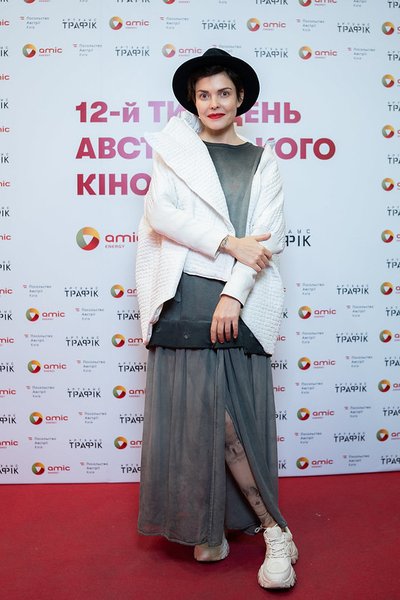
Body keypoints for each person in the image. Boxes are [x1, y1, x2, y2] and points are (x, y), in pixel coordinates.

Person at [135, 48, 298, 590]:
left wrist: (233, 296)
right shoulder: (175, 152)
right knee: (194, 418)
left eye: (223, 92)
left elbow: (266, 239)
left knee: (232, 421)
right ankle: (209, 526)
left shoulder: (262, 160)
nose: (214, 103)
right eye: (204, 94)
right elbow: (161, 214)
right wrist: (229, 242)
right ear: (193, 100)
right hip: (182, 297)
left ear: (240, 98)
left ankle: (276, 532)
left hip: (236, 300)